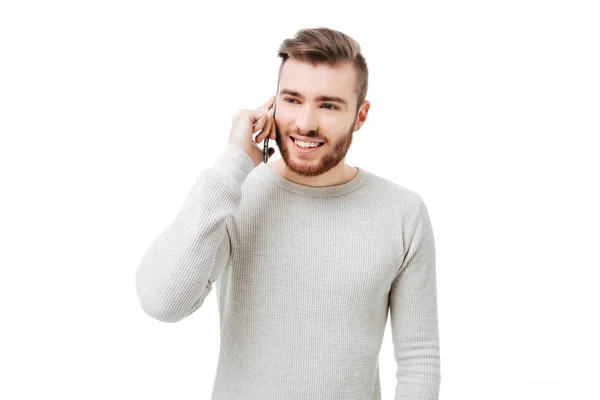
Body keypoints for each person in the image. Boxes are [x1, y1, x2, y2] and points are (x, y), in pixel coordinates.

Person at [135, 26, 441, 400]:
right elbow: (162, 302)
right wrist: (233, 163)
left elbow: (419, 359)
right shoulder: (234, 195)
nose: (306, 122)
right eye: (293, 100)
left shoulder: (402, 213)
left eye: (328, 105)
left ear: (360, 116)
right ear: (273, 104)